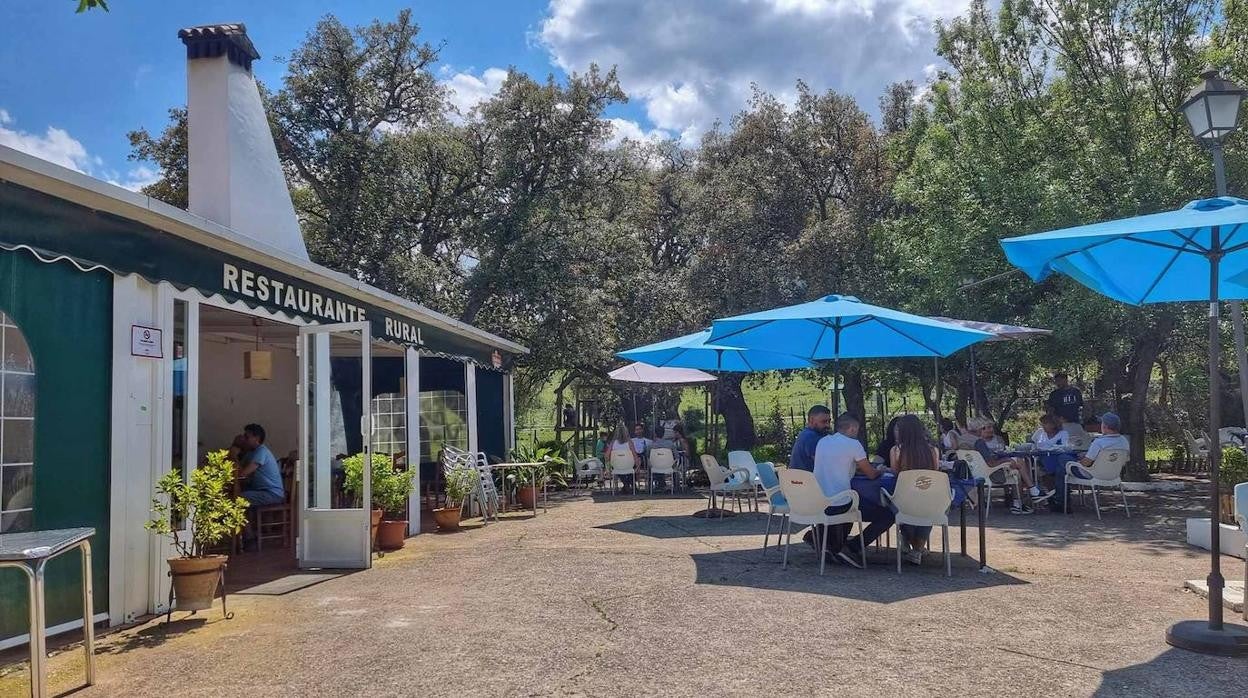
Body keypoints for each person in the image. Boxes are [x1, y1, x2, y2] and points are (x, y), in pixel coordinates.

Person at [810, 412, 892, 569]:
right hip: (840, 502)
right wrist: (880, 470)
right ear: (853, 428)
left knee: (852, 502)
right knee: (887, 515)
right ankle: (852, 547)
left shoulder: (823, 441)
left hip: (819, 501)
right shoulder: (853, 444)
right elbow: (871, 473)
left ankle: (827, 544)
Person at [970, 417, 1049, 514]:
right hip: (991, 474)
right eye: (985, 428)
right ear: (979, 429)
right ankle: (1030, 492)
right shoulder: (980, 443)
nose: (989, 430)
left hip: (982, 472)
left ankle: (1022, 500)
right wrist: (1006, 460)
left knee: (1017, 467)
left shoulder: (973, 442)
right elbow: (990, 463)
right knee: (1017, 466)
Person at [890, 414, 941, 565]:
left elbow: (895, 473)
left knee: (897, 508)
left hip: (905, 499)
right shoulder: (933, 450)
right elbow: (935, 472)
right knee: (926, 512)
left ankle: (913, 544)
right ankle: (918, 548)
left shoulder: (896, 450)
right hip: (929, 499)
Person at [790, 405, 832, 472]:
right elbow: (824, 464)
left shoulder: (806, 433)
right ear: (812, 420)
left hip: (798, 479)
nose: (828, 425)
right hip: (805, 480)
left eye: (829, 421)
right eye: (823, 422)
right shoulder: (811, 437)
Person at [605, 423, 639, 490]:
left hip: (617, 465)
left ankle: (626, 485)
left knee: (619, 468)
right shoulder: (630, 442)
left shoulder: (613, 443)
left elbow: (607, 456)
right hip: (628, 465)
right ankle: (630, 484)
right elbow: (635, 456)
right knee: (633, 467)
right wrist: (638, 463)